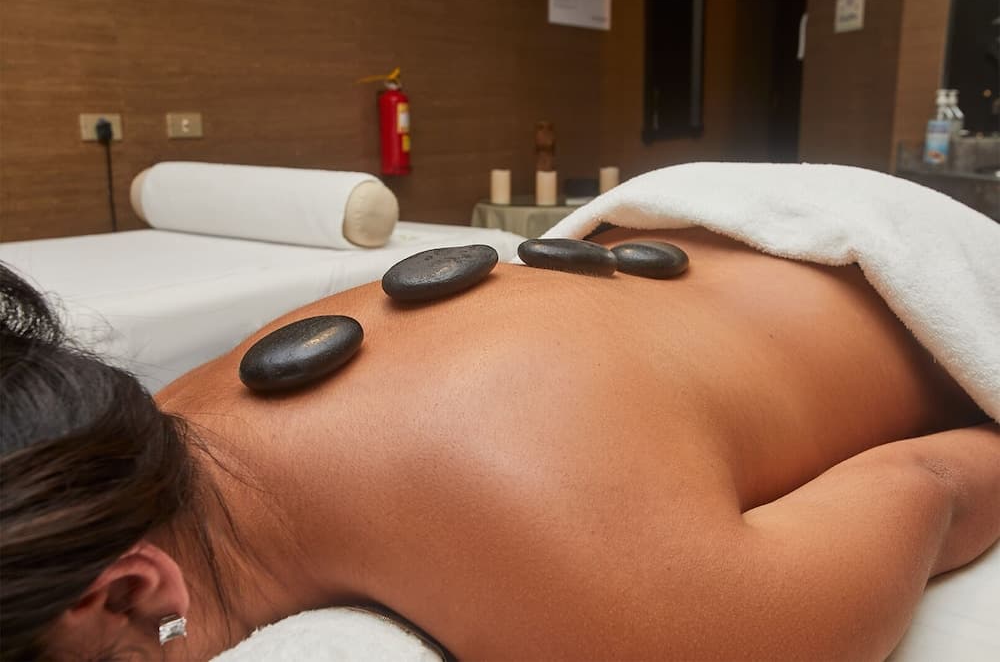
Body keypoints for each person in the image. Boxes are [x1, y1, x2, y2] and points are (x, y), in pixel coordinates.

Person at [1, 226, 998, 662]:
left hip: (876, 261)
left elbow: (937, 479)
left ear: (130, 594)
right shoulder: (109, 440)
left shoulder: (614, 607)